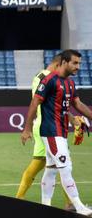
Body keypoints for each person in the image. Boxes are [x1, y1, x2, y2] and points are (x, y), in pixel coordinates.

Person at [21, 49, 92, 214]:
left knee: (51, 169)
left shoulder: (70, 83)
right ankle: (79, 207)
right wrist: (27, 128)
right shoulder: (49, 80)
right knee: (66, 168)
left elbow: (78, 104)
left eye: (79, 63)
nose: (78, 67)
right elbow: (34, 103)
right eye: (75, 63)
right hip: (51, 131)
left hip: (61, 132)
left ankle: (45, 205)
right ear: (64, 62)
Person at [16, 53, 76, 208]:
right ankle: (19, 198)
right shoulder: (48, 78)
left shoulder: (41, 76)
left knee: (57, 165)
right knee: (57, 164)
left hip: (48, 125)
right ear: (59, 64)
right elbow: (46, 103)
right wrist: (27, 128)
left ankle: (69, 203)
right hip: (48, 126)